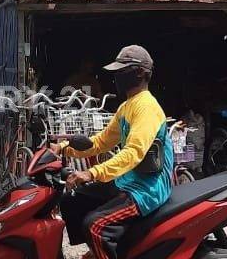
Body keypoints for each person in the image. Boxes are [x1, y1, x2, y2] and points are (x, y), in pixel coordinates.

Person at [52, 45, 173, 259]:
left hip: (147, 188)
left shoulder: (147, 107)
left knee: (95, 227)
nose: (116, 77)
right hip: (128, 181)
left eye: (121, 72)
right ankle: (102, 251)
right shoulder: (126, 106)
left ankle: (101, 248)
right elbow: (99, 143)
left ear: (139, 74)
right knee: (71, 201)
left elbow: (133, 152)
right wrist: (63, 149)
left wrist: (91, 173)